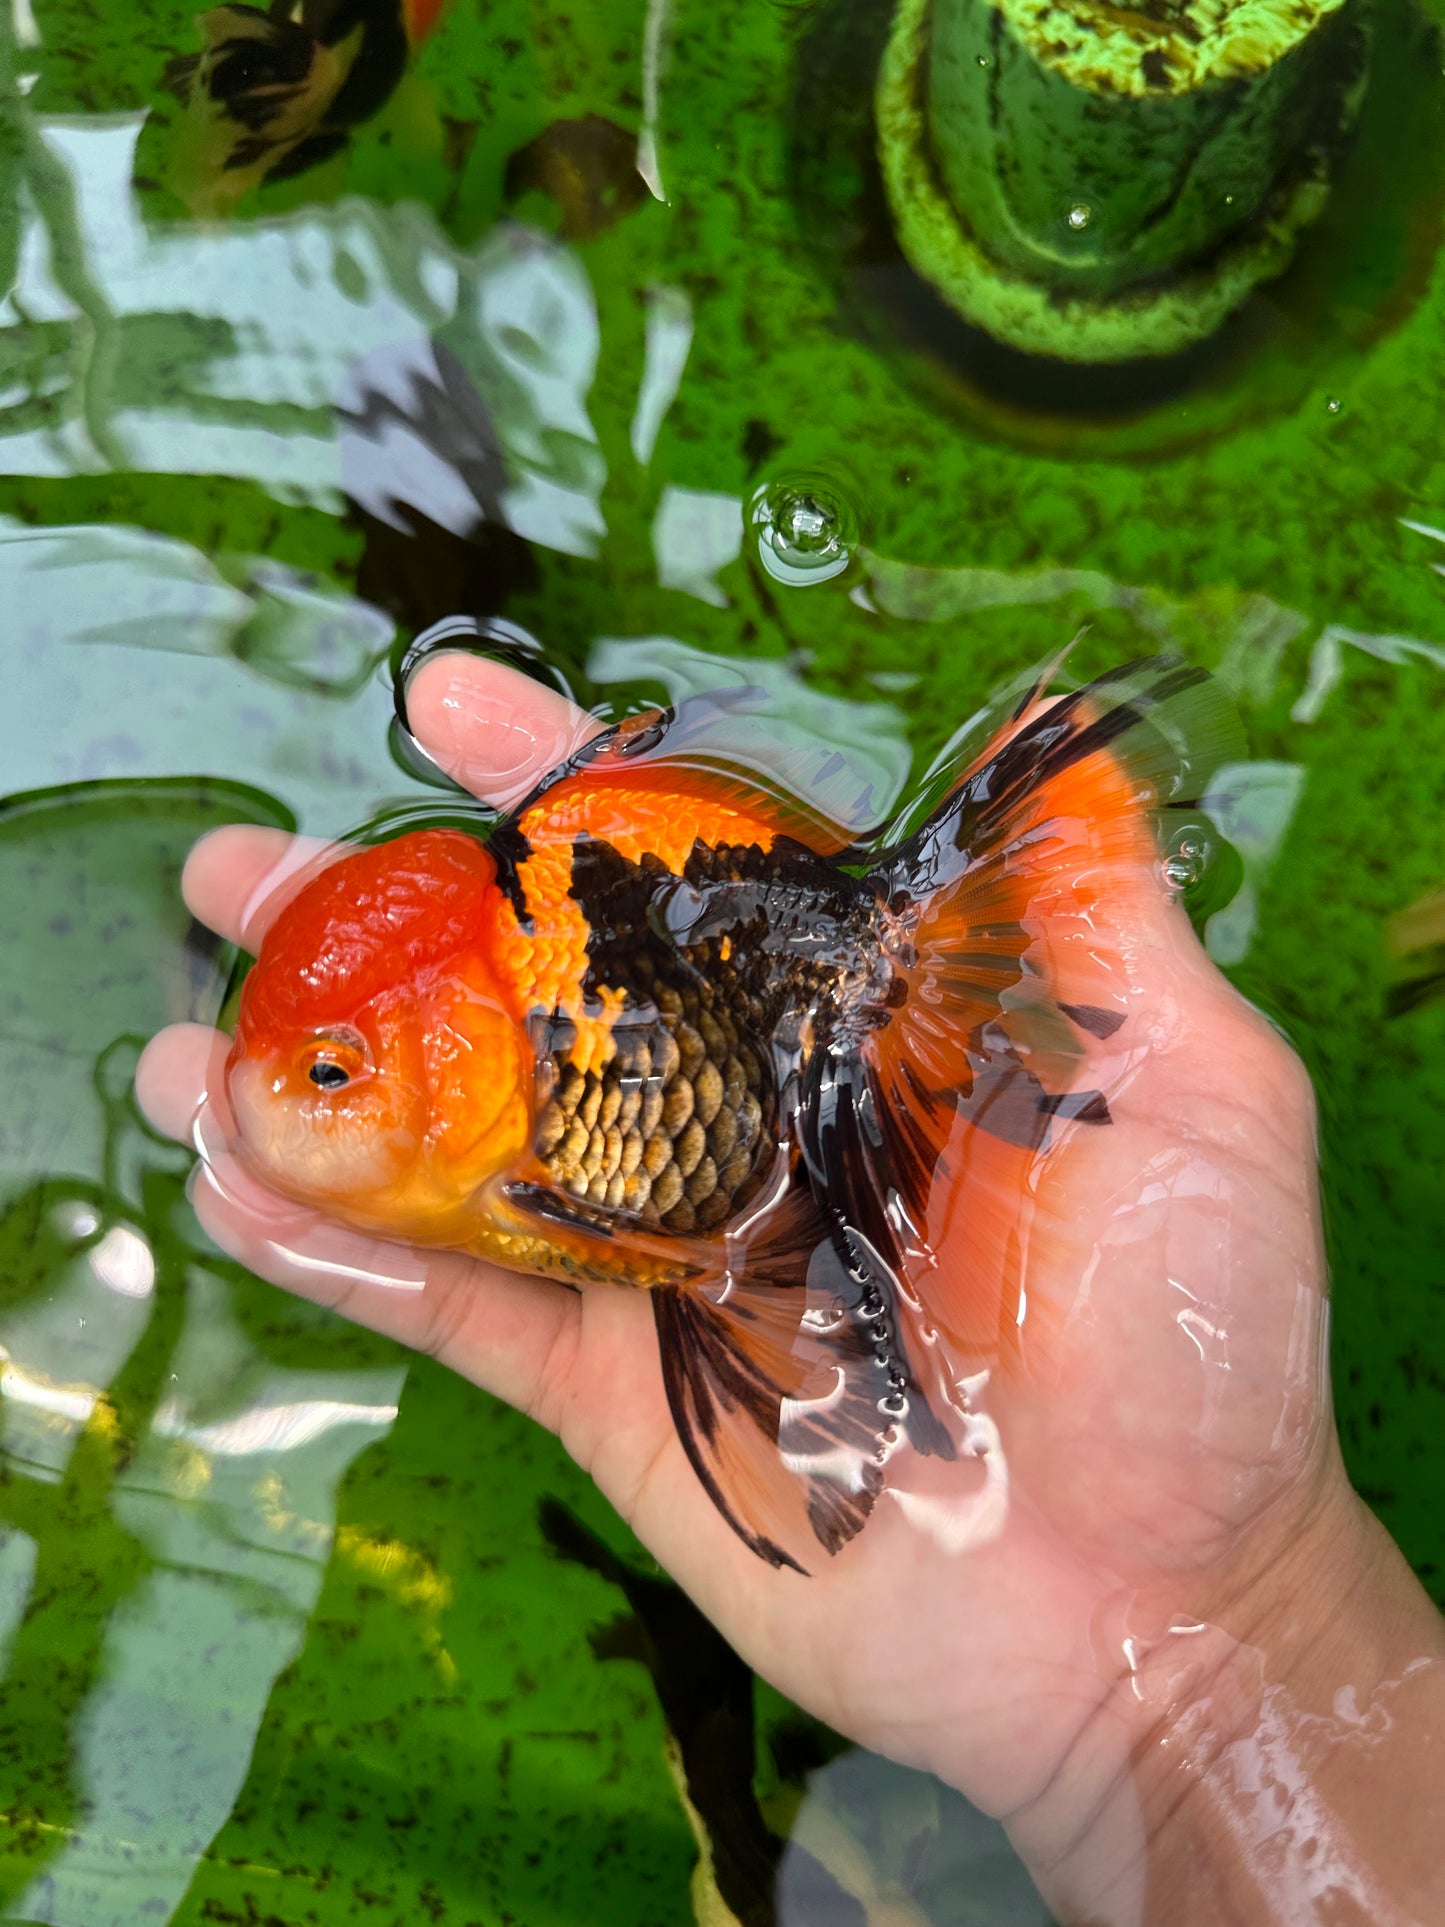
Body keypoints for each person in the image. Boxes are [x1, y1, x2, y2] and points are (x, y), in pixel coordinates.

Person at [136, 652, 1445, 1925]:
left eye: (330, 1079)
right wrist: (1216, 1663)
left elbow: (696, 1248)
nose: (281, 1109)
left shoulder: (552, 1152)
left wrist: (1221, 1624)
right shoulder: (507, 1134)